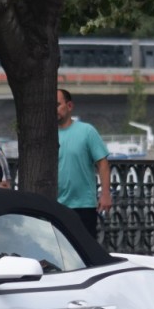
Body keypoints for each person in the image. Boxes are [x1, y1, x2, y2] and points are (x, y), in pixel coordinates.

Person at [56, 89, 111, 237]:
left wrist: (105, 193)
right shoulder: (47, 135)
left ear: (69, 106)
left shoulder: (87, 131)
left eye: (57, 105)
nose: (54, 109)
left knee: (85, 255)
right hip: (56, 205)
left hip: (83, 206)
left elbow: (103, 163)